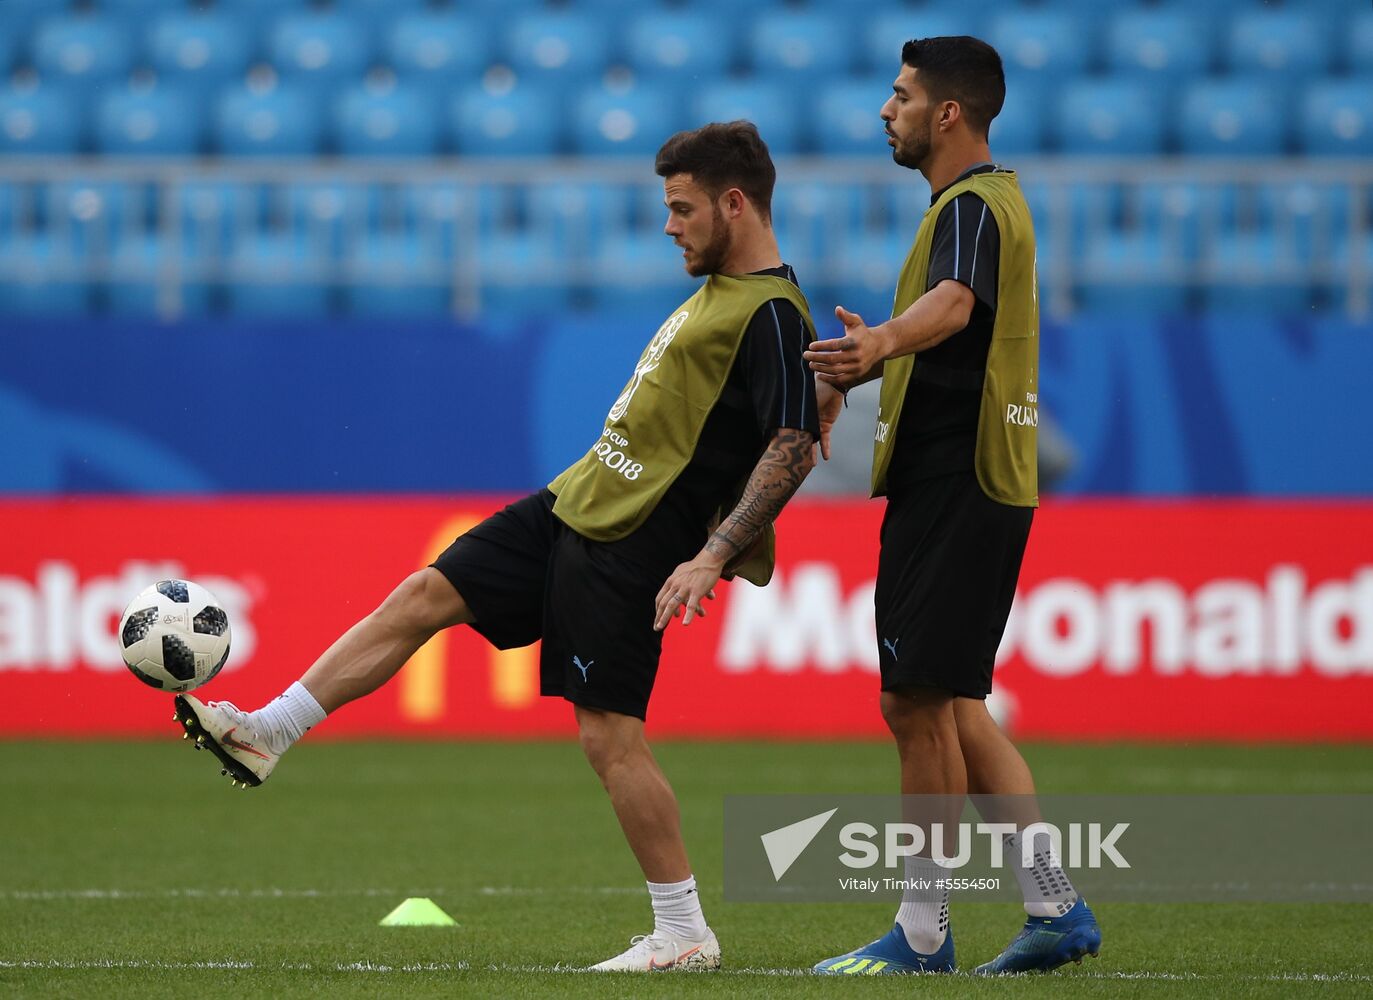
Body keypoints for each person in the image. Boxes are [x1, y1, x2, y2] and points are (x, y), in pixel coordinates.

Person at [172, 121, 820, 974]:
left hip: (635, 533)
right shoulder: (724, 295)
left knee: (609, 739)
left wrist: (710, 555)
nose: (669, 225)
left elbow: (792, 443)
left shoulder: (770, 310)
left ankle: (684, 931)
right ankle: (266, 733)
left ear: (733, 204)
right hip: (576, 499)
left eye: (682, 208)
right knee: (422, 596)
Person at [804, 37, 1102, 976]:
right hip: (972, 479)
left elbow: (954, 305)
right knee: (953, 706)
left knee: (914, 701)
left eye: (898, 96)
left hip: (961, 479)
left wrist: (876, 346)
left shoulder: (970, 204)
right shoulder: (984, 202)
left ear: (946, 113)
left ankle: (922, 934)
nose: (882, 111)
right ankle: (1055, 908)